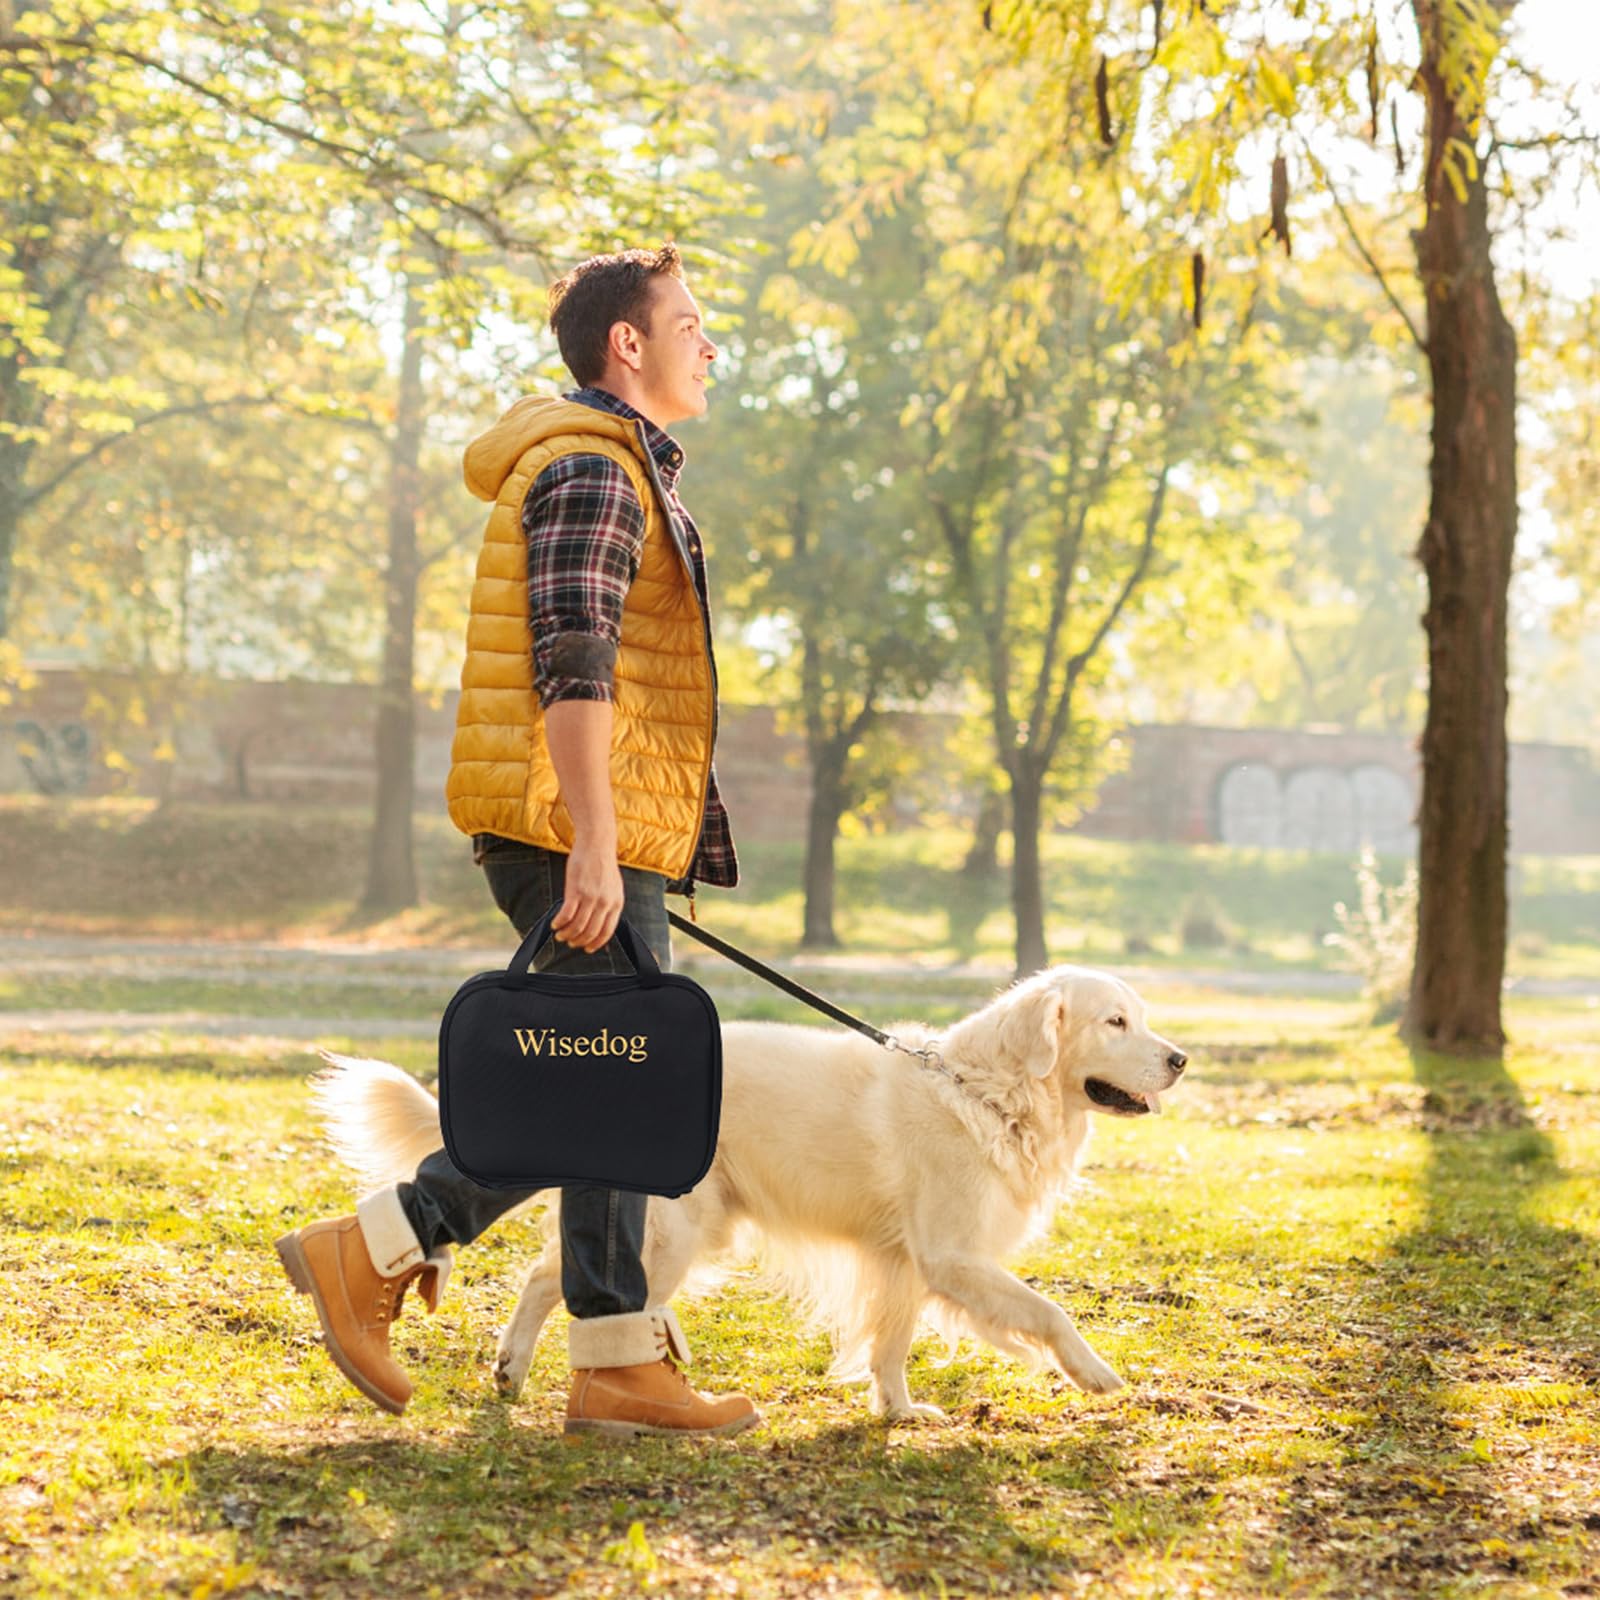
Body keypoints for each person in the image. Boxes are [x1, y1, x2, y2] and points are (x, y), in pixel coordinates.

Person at [276, 242, 759, 1439]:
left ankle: (610, 1361)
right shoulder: (596, 469)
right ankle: (373, 1246)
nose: (711, 343)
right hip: (564, 830)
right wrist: (598, 843)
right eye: (690, 322)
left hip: (593, 832)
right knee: (601, 1091)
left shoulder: (622, 467)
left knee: (611, 1084)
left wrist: (644, 842)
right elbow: (575, 656)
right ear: (627, 344)